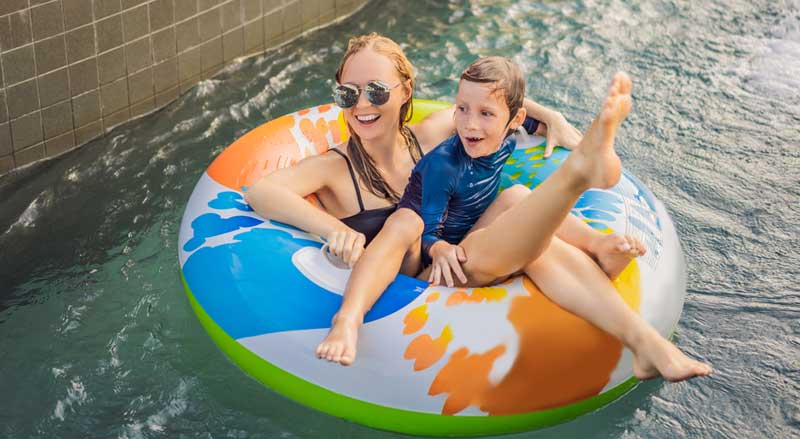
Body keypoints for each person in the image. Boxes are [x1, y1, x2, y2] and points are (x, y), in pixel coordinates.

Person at [245, 33, 710, 382]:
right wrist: (332, 228)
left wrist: (550, 117)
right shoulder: (336, 167)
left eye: (377, 91)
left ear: (406, 91)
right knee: (408, 221)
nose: (362, 105)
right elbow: (262, 192)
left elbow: (492, 102)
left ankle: (644, 341)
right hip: (420, 284)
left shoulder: (429, 135)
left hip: (459, 252)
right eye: (348, 93)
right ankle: (576, 178)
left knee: (517, 201)